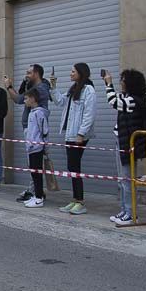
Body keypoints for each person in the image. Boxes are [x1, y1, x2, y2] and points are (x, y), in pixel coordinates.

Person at [103, 69, 146, 226]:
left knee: (127, 180)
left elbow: (113, 101)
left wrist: (108, 84)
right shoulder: (128, 98)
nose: (121, 82)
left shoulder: (134, 100)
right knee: (122, 180)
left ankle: (131, 213)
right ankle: (124, 210)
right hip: (121, 141)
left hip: (128, 144)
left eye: (123, 80)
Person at [47, 64, 97, 214]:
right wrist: (53, 87)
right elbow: (60, 102)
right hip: (70, 133)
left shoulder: (88, 90)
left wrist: (81, 134)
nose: (70, 73)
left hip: (78, 135)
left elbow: (89, 114)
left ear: (81, 73)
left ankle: (80, 202)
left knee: (75, 167)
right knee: (72, 167)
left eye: (73, 71)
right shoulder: (74, 88)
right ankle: (75, 200)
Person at [4, 65, 51, 202]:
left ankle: (36, 193)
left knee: (34, 163)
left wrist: (8, 87)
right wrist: (23, 84)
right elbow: (21, 96)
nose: (26, 75)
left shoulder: (40, 89)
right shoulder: (33, 87)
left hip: (34, 131)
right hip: (30, 129)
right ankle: (35, 191)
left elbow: (19, 99)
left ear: (36, 74)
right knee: (32, 163)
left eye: (29, 73)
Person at [20, 88, 50, 209]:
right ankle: (36, 195)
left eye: (26, 98)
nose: (24, 101)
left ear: (33, 99)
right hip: (31, 147)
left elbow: (44, 131)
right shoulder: (32, 112)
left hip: (37, 147)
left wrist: (44, 146)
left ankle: (39, 198)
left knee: (37, 173)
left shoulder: (39, 113)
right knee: (33, 173)